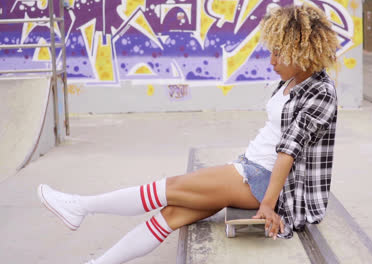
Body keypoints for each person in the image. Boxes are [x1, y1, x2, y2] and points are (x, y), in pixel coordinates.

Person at [37, 4, 339, 264]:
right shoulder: (291, 82)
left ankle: (81, 206)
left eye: (279, 53)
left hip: (262, 179)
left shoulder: (320, 92)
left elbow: (288, 151)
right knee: (171, 213)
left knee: (167, 187)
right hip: (253, 169)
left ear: (302, 51)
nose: (272, 60)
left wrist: (267, 205)